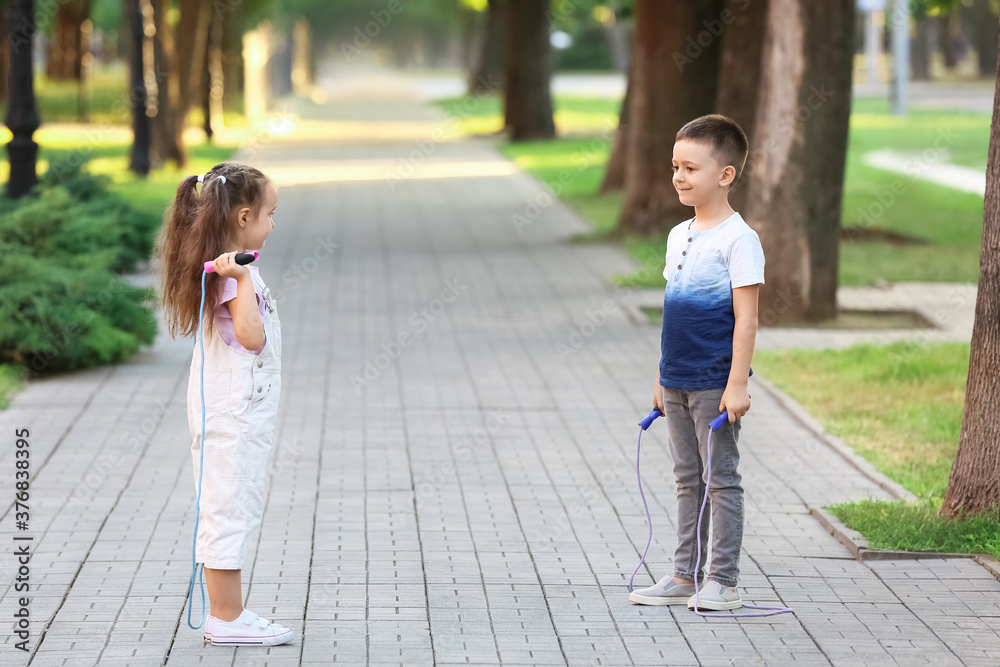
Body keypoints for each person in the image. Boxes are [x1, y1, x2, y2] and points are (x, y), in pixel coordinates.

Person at [629, 115, 765, 612]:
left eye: (691, 167)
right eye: (675, 167)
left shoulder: (739, 240)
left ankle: (723, 582)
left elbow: (746, 321)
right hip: (678, 379)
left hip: (714, 383)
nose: (679, 177)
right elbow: (673, 312)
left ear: (725, 175)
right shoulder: (678, 235)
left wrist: (737, 386)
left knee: (720, 479)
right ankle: (684, 575)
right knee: (688, 479)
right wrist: (661, 378)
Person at [154, 161, 293, 645]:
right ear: (243, 217)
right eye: (270, 214)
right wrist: (246, 283)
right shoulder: (234, 278)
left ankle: (228, 614)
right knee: (228, 506)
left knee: (234, 502)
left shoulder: (230, 269)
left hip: (240, 411)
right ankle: (226, 618)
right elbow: (251, 339)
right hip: (234, 415)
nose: (273, 224)